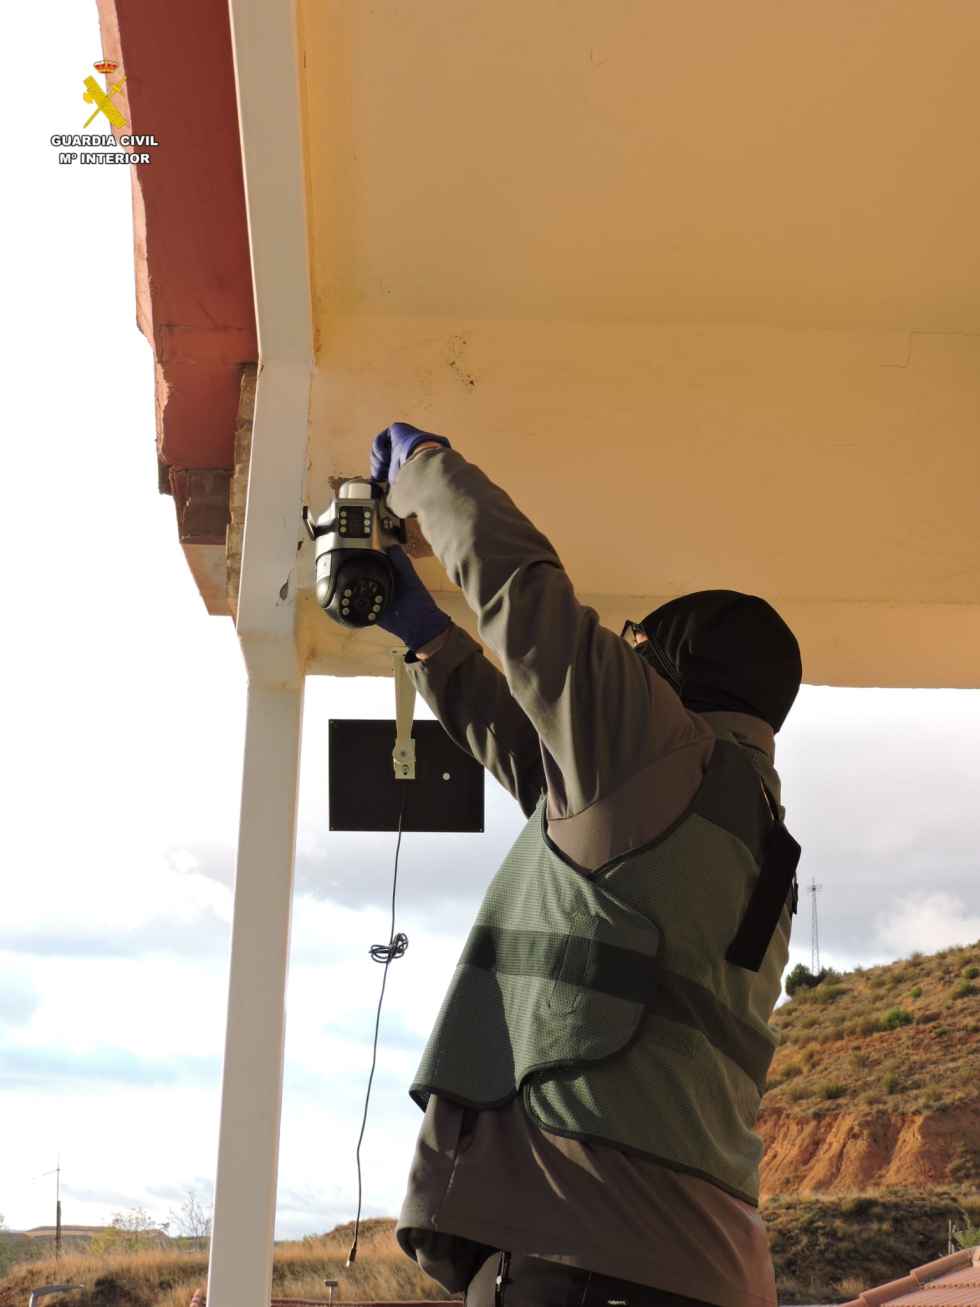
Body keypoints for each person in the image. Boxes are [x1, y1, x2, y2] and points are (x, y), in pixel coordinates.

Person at [368, 423, 804, 1307]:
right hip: (705, 1265)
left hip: (593, 1251)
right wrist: (427, 641)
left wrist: (421, 469)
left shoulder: (655, 746)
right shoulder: (746, 821)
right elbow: (536, 766)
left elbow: (526, 598)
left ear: (670, 674)